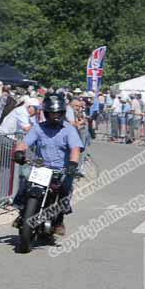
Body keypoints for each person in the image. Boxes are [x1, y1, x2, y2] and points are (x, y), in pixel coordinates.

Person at [11, 94, 84, 236]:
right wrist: (19, 152)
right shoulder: (38, 128)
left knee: (65, 188)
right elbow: (25, 143)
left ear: (63, 113)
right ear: (46, 113)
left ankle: (59, 221)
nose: (55, 116)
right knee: (25, 178)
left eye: (58, 113)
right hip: (41, 167)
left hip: (61, 169)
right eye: (52, 113)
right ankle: (22, 212)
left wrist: (72, 164)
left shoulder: (69, 129)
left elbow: (75, 148)